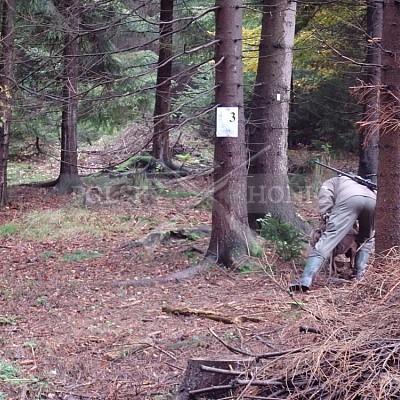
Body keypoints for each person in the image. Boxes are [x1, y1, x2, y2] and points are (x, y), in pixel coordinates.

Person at [290, 175, 376, 292]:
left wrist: (328, 219)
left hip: (350, 199)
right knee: (367, 238)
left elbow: (326, 201)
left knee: (328, 238)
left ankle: (306, 279)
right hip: (373, 200)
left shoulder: (333, 181)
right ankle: (359, 275)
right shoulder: (363, 183)